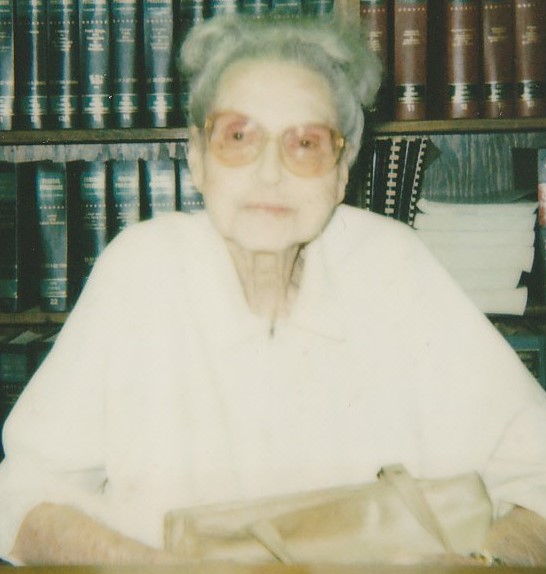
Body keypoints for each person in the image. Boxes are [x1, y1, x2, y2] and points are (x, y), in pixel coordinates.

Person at [1, 12, 546, 566]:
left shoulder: (393, 265)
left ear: (341, 171)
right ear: (196, 155)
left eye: (305, 143)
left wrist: (485, 562)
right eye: (239, 137)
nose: (270, 173)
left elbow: (538, 473)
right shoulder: (142, 271)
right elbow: (21, 497)